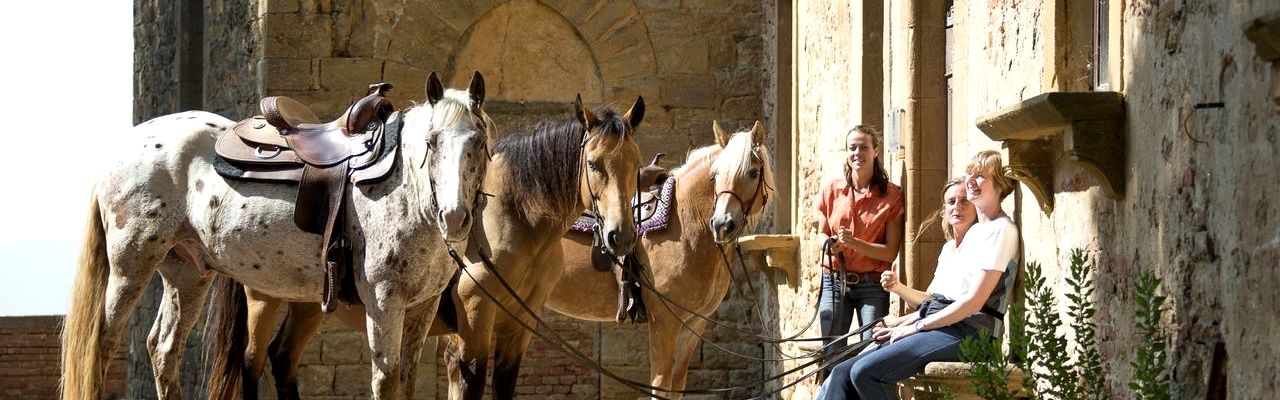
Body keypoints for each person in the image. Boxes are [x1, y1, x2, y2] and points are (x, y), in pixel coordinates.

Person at [815, 150, 1021, 400]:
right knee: (841, 371)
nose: (971, 181)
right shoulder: (976, 232)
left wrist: (916, 326)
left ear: (999, 183)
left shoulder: (1001, 230)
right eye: (970, 174)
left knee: (865, 372)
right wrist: (906, 323)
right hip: (943, 326)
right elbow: (940, 300)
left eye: (980, 176)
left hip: (970, 333)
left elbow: (974, 302)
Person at [814, 125, 905, 376]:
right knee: (832, 352)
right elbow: (820, 234)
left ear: (876, 151)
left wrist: (855, 243)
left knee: (872, 350)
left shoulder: (892, 195)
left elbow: (890, 253)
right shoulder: (832, 190)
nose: (857, 153)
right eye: (852, 148)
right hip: (835, 281)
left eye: (864, 147)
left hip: (872, 284)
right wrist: (827, 245)